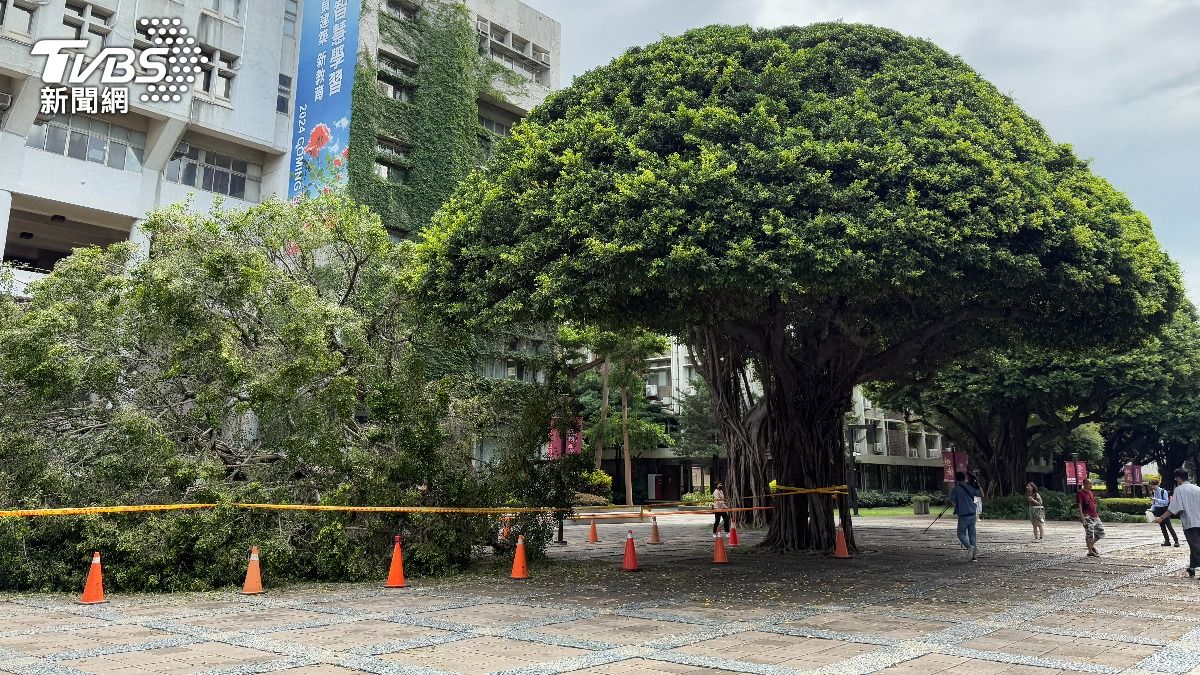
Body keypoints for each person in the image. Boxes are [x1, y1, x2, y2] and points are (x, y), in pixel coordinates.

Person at [1154, 468, 1200, 578]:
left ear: (1178, 478)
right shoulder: (1197, 488)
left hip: (1190, 522)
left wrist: (1161, 518)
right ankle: (1192, 568)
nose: (1175, 480)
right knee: (1195, 545)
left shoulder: (1179, 490)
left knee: (1195, 546)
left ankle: (1194, 567)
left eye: (1176, 478)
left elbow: (1174, 508)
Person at [949, 471, 981, 562]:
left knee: (961, 534)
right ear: (964, 478)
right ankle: (974, 557)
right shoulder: (970, 486)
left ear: (956, 479)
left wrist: (949, 500)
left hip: (963, 515)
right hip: (972, 514)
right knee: (972, 536)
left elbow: (953, 502)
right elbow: (979, 494)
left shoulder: (956, 489)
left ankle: (969, 547)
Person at [1076, 479, 1105, 557]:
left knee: (1101, 532)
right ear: (1085, 484)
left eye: (1091, 484)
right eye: (1090, 484)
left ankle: (1091, 545)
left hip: (1094, 515)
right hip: (1087, 515)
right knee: (1089, 533)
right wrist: (1081, 516)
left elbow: (1093, 503)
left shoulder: (1090, 493)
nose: (1091, 485)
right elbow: (1079, 505)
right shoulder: (1080, 493)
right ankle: (1090, 551)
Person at [1149, 478, 1180, 548]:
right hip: (1158, 510)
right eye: (1151, 486)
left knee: (1169, 526)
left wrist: (1156, 499)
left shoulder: (1163, 491)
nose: (1152, 487)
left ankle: (1176, 541)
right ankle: (1167, 541)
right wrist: (1151, 509)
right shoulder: (1153, 492)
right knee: (1162, 527)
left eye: (1154, 485)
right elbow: (1154, 504)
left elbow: (1166, 502)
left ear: (1157, 485)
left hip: (1164, 510)